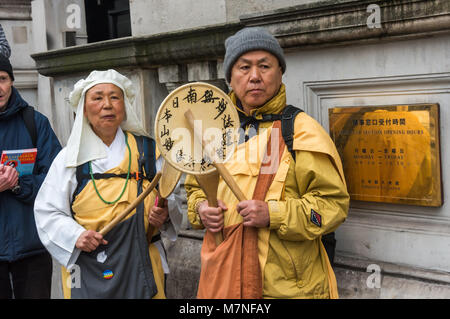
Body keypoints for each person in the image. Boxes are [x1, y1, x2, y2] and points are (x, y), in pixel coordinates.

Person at [185, 27, 350, 299]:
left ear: (280, 72)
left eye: (264, 66)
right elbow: (193, 190)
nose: (254, 77)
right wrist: (202, 208)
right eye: (244, 67)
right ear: (229, 77)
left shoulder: (301, 131)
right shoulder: (211, 135)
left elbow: (332, 208)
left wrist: (274, 215)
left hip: (288, 289)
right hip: (224, 285)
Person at [34, 69, 182, 299]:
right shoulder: (69, 159)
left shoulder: (148, 151)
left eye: (115, 97)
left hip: (142, 260)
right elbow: (47, 211)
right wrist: (75, 236)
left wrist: (164, 215)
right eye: (97, 97)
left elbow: (170, 198)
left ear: (125, 106)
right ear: (84, 108)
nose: (107, 105)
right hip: (87, 265)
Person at [0, 56, 62, 298]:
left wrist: (17, 184)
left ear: (12, 81)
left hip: (33, 250)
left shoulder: (35, 123)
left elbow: (58, 182)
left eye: (3, 79)